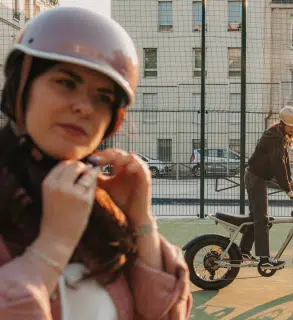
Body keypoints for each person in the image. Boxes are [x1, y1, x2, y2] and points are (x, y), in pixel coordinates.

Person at [0, 7, 192, 319]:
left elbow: (166, 314)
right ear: (22, 88)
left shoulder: (101, 210)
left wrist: (139, 217)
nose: (85, 108)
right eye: (66, 82)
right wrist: (52, 248)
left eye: (103, 98)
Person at [239, 106, 293, 269]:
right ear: (282, 123)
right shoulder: (274, 137)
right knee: (262, 218)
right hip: (255, 177)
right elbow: (277, 164)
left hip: (257, 177)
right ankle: (264, 259)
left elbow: (284, 159)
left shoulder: (280, 135)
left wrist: (290, 179)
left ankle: (243, 251)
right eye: (291, 125)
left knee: (256, 217)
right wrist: (287, 190)